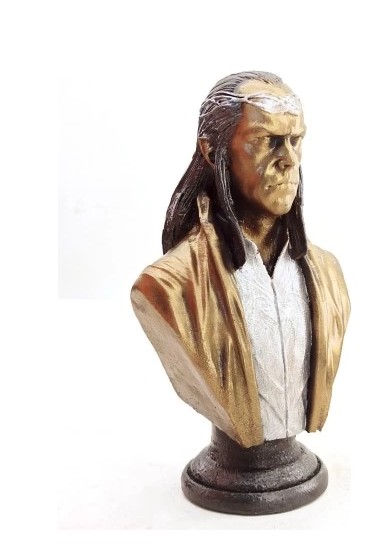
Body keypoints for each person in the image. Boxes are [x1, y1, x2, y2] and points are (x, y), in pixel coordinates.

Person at [131, 71, 350, 449]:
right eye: (266, 140)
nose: (288, 160)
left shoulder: (328, 275)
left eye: (295, 140)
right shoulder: (168, 286)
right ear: (212, 151)